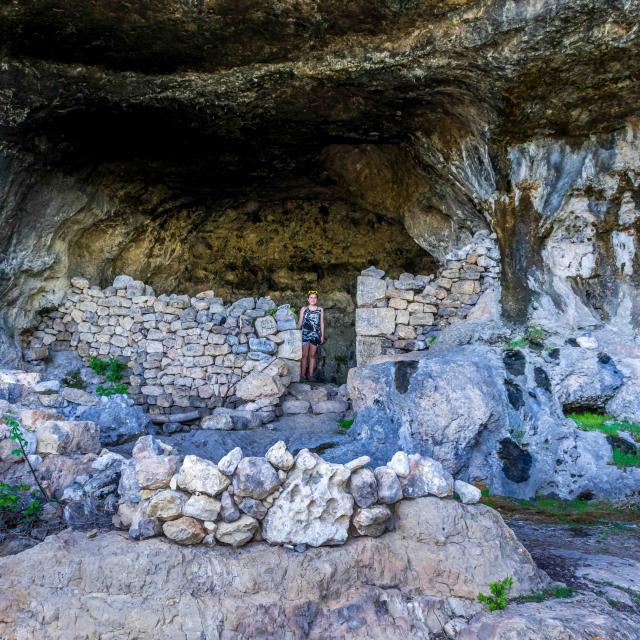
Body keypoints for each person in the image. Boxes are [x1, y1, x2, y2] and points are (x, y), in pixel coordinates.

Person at [298, 290, 324, 381]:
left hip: (315, 335)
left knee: (312, 356)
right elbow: (300, 322)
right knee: (304, 355)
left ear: (317, 299)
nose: (313, 299)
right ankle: (302, 375)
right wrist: (296, 330)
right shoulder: (304, 309)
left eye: (315, 297)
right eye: (311, 297)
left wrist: (322, 336)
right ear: (308, 299)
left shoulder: (320, 309)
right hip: (304, 334)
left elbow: (321, 323)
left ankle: (310, 375)